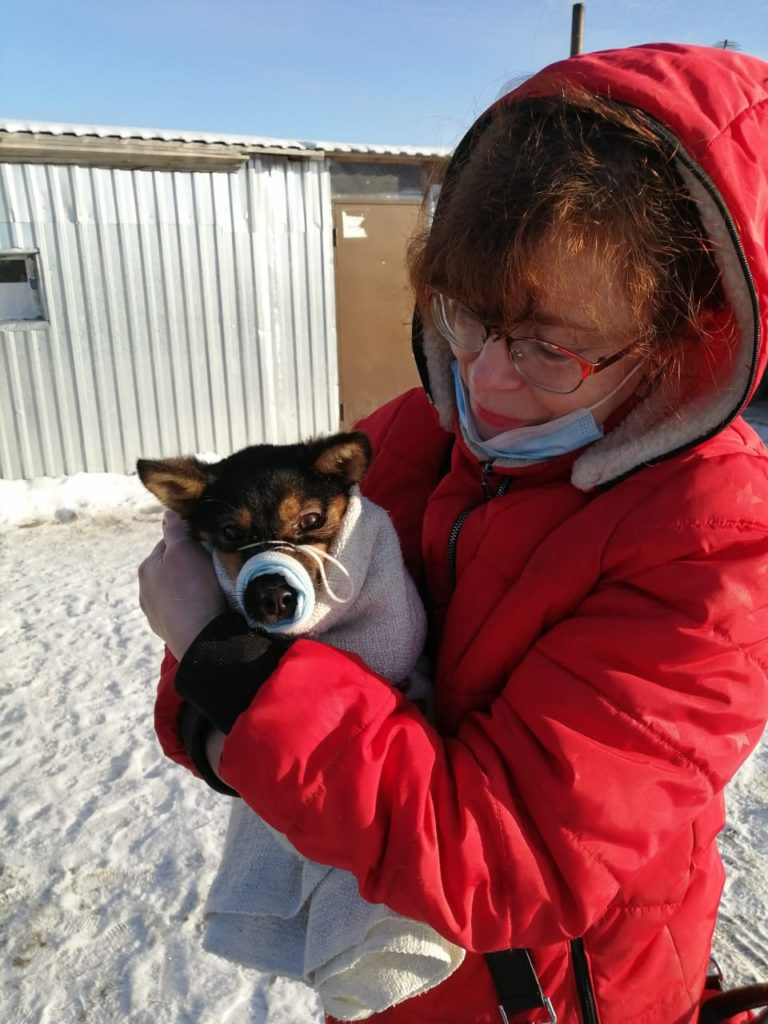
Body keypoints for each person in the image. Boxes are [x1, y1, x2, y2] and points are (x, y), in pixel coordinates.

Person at [139, 43, 768, 1024]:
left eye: (549, 345)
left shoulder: (716, 546)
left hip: (556, 999)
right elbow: (214, 681)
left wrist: (231, 674)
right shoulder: (418, 428)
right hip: (393, 983)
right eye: (465, 315)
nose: (484, 379)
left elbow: (506, 856)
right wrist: (227, 697)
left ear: (686, 335)